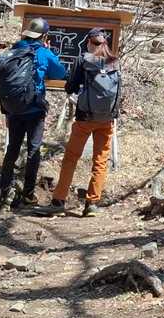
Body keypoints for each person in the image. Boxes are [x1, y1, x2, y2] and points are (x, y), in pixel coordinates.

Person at [39, 28, 122, 217]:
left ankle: (58, 201)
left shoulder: (83, 60)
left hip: (85, 118)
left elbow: (71, 86)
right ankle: (92, 204)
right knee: (100, 161)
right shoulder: (114, 62)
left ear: (89, 42)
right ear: (105, 43)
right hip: (106, 119)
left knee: (71, 158)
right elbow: (119, 91)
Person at [0, 16, 68, 210]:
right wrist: (49, 51)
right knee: (33, 150)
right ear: (43, 36)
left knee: (12, 149)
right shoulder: (43, 53)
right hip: (34, 109)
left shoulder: (13, 50)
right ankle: (28, 194)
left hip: (13, 109)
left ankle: (4, 192)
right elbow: (60, 73)